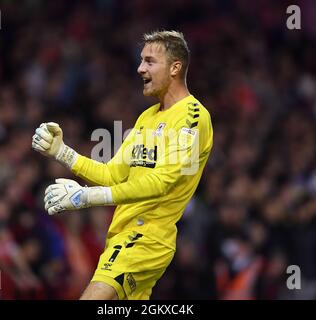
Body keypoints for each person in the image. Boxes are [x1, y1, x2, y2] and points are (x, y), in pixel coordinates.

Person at [32, 30, 213, 300]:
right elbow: (112, 174)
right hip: (121, 235)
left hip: (146, 237)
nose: (140, 68)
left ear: (175, 67)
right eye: (141, 61)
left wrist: (85, 197)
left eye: (150, 61)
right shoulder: (147, 117)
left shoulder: (192, 117)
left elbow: (162, 183)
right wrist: (62, 152)